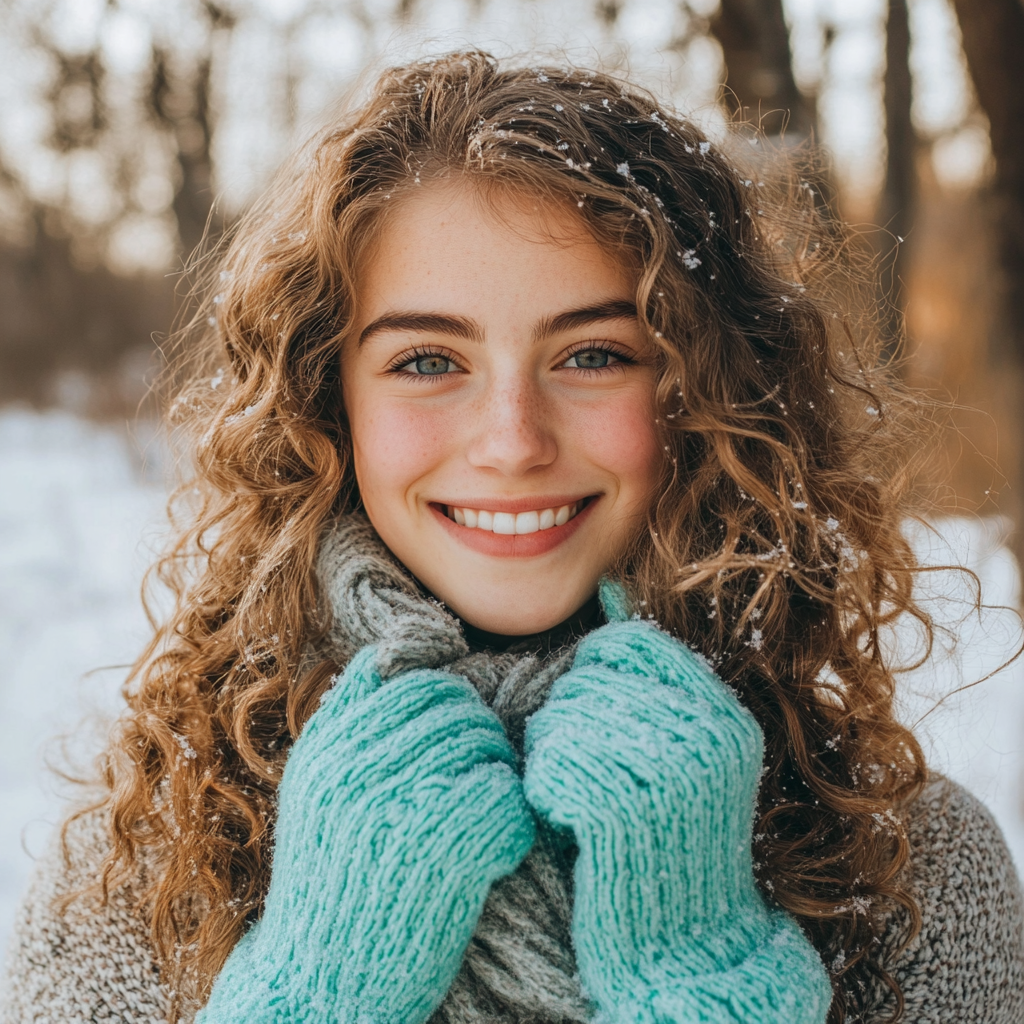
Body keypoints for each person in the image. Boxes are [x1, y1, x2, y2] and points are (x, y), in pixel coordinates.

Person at [2, 51, 1021, 1024]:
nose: (512, 441)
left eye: (590, 353)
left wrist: (699, 976)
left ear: (704, 387)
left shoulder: (907, 862)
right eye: (425, 361)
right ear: (328, 401)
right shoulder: (150, 857)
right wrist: (317, 987)